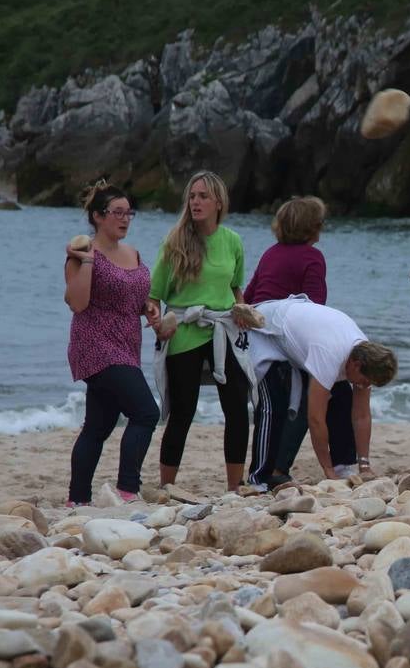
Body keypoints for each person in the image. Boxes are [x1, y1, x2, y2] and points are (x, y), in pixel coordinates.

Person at [148, 170, 255, 492]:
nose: (195, 202)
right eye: (192, 196)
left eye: (203, 196)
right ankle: (168, 486)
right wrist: (156, 322)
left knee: (237, 409)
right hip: (184, 331)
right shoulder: (175, 242)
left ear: (218, 202)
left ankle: (234, 487)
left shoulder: (232, 240)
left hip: (224, 328)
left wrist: (244, 313)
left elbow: (237, 288)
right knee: (182, 413)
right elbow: (154, 297)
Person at [243, 196, 359, 482]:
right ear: (312, 227)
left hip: (259, 333)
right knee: (334, 391)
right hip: (286, 336)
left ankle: (273, 469)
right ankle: (338, 463)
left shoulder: (271, 252)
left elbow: (250, 295)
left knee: (287, 402)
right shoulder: (312, 257)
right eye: (320, 222)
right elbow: (314, 306)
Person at [63, 181, 160, 506]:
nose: (125, 218)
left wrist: (147, 306)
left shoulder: (132, 253)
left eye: (128, 212)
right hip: (94, 345)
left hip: (126, 346)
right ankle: (127, 489)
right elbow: (77, 303)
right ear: (97, 216)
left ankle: (77, 500)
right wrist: (87, 261)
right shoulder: (82, 253)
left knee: (98, 426)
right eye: (117, 212)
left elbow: (133, 296)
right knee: (146, 412)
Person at [247, 298, 398, 484]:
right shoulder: (330, 354)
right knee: (290, 406)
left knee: (343, 398)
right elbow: (315, 419)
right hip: (266, 330)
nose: (365, 386)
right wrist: (327, 472)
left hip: (306, 332)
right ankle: (271, 473)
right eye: (365, 381)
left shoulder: (365, 354)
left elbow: (361, 415)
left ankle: (342, 464)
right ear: (356, 365)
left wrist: (364, 465)